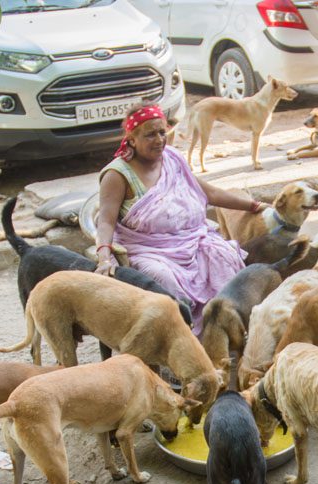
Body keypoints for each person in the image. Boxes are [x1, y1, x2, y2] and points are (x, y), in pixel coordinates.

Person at [93, 104, 266, 333]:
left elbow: (209, 193)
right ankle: (185, 338)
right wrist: (104, 255)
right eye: (150, 135)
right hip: (148, 250)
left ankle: (226, 329)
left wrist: (253, 205)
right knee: (164, 279)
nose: (159, 140)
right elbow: (105, 221)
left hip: (192, 239)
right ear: (132, 139)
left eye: (162, 132)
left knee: (223, 255)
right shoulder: (117, 175)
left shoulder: (172, 159)